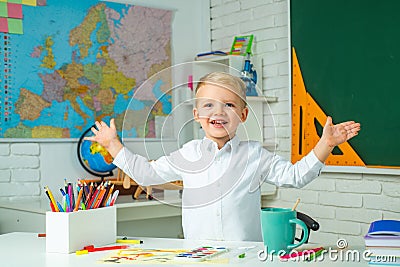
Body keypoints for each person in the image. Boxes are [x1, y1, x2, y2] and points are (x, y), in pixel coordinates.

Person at [86, 72, 360, 242]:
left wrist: (326, 144)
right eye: (209, 105)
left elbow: (296, 176)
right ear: (197, 116)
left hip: (247, 257)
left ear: (242, 115)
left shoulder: (254, 155)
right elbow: (147, 174)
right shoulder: (190, 153)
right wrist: (113, 145)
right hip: (198, 255)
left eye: (228, 105)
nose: (218, 112)